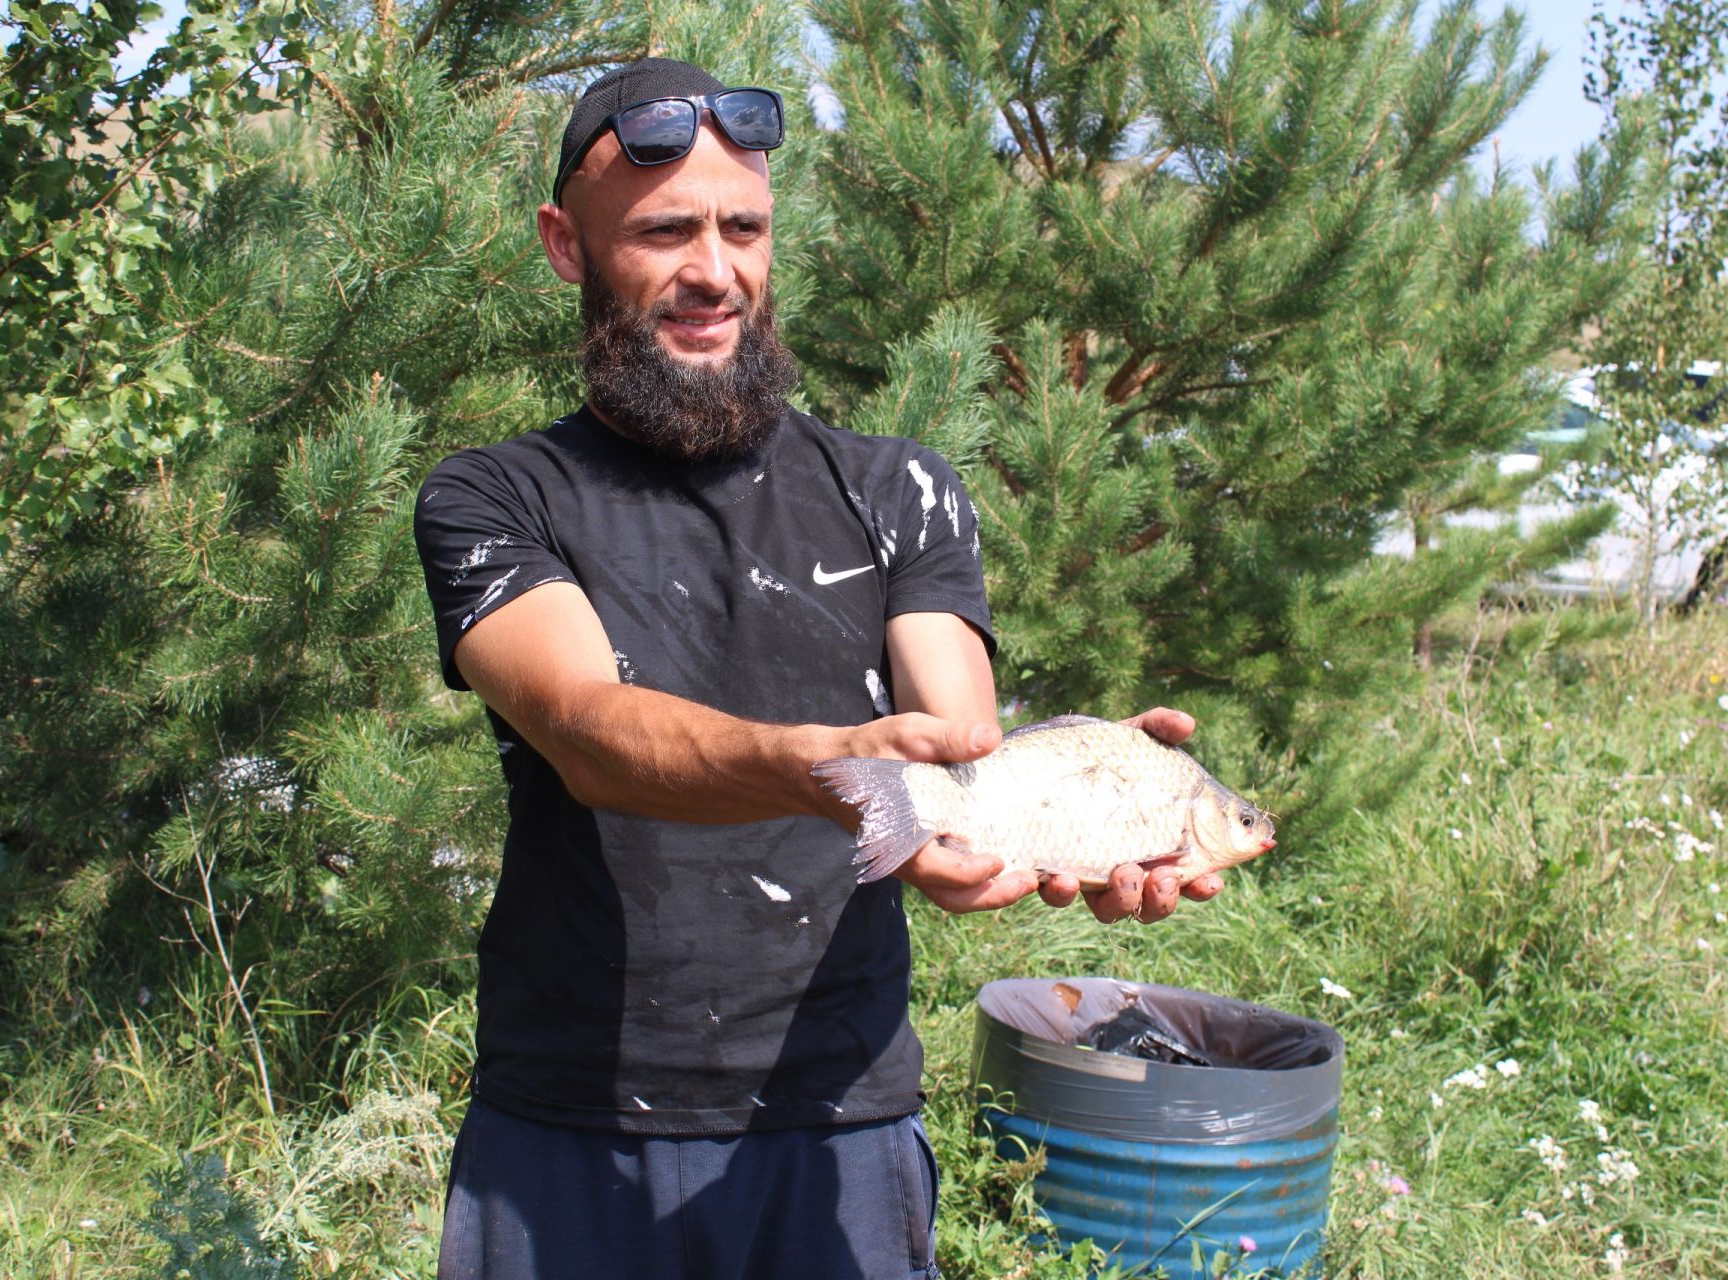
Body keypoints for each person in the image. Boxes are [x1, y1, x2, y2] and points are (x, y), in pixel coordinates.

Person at [412, 57, 1223, 1280]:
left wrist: (1071, 806)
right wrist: (834, 766)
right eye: (663, 231)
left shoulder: (901, 486)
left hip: (839, 1121)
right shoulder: (496, 495)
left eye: (744, 227)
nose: (713, 270)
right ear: (566, 247)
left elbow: (959, 750)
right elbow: (584, 727)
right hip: (569, 1119)